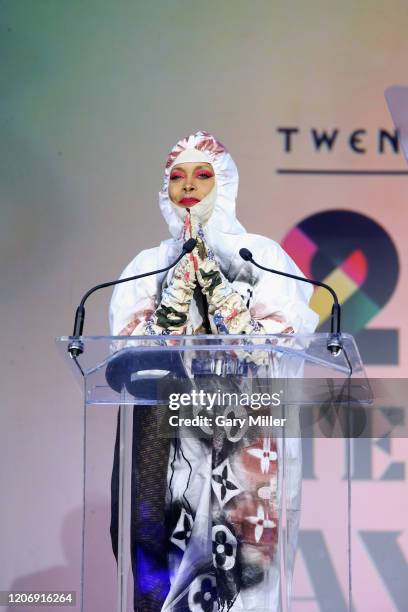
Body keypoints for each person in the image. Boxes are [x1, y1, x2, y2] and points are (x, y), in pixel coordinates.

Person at [109, 131, 318, 611]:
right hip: (168, 443)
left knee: (242, 576)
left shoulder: (259, 256)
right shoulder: (147, 266)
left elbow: (285, 338)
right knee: (167, 566)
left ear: (224, 183)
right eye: (177, 177)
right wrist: (174, 300)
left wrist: (220, 291)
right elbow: (127, 356)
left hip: (245, 439)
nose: (188, 186)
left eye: (202, 175)